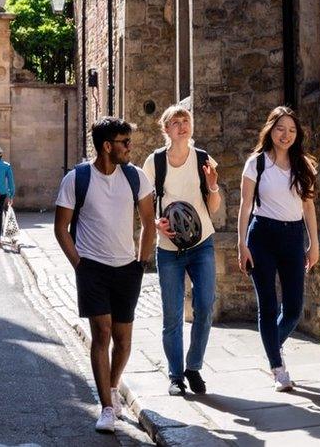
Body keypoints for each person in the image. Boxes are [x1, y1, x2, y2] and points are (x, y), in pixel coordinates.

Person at [53, 117, 156, 433]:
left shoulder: (136, 177)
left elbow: (149, 222)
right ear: (107, 146)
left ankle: (112, 386)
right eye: (125, 142)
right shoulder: (77, 179)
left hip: (127, 268)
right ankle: (107, 408)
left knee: (123, 340)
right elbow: (61, 228)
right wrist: (79, 266)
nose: (130, 147)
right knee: (102, 332)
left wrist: (141, 262)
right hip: (92, 268)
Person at [237, 106, 320, 392]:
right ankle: (278, 368)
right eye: (281, 129)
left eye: (292, 130)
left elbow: (308, 207)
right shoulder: (256, 163)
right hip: (262, 236)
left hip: (294, 237)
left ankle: (272, 346)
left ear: (297, 135)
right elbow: (245, 206)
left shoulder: (304, 166)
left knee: (294, 308)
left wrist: (314, 245)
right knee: (269, 307)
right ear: (270, 130)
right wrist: (241, 245)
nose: (286, 135)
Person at [142, 105, 221, 396]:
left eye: (185, 120)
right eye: (175, 122)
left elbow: (213, 208)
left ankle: (194, 367)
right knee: (172, 314)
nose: (182, 125)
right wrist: (154, 222)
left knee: (205, 306)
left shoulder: (203, 159)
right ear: (166, 130)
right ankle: (175, 376)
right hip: (169, 249)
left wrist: (212, 187)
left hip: (202, 245)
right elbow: (142, 202)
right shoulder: (155, 162)